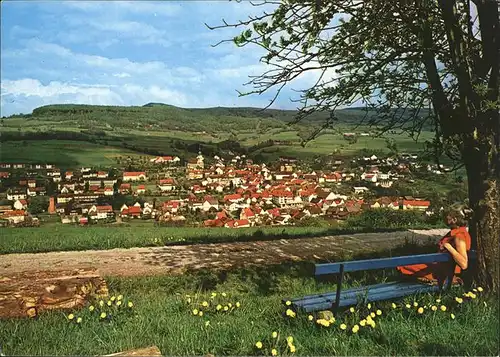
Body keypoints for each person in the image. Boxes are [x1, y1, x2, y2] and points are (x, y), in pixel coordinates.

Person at [397, 206, 472, 286]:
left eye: (448, 215)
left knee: (402, 264)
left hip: (443, 271)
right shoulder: (456, 233)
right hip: (440, 267)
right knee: (407, 263)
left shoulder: (459, 236)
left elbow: (464, 264)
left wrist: (449, 247)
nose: (446, 217)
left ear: (454, 219)